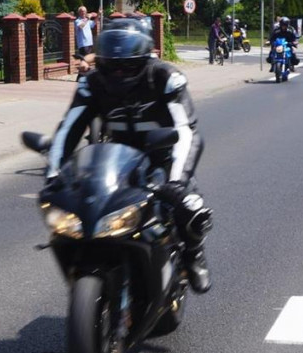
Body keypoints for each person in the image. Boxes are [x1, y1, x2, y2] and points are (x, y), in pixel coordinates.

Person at [45, 26, 213, 293]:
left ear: (144, 60)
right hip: (117, 160)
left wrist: (177, 181)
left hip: (164, 156)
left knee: (190, 207)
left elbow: (185, 130)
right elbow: (69, 128)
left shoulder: (166, 77)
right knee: (82, 212)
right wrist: (53, 174)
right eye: (111, 66)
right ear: (100, 63)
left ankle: (194, 254)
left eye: (127, 66)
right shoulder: (92, 83)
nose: (118, 73)